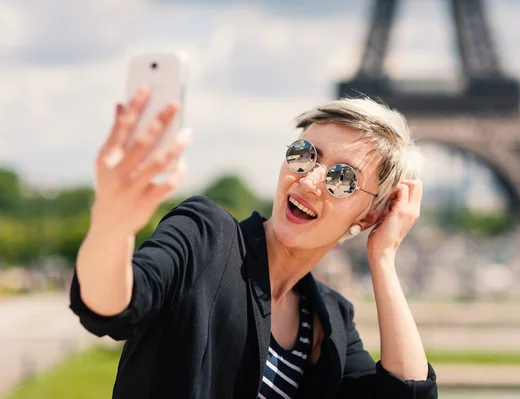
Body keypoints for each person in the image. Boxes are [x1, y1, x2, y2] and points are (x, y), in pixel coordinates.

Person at [69, 87, 438, 398]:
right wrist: (110, 224)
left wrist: (384, 257)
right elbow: (110, 304)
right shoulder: (206, 236)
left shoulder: (329, 320)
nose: (309, 181)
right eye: (304, 155)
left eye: (343, 178)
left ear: (369, 216)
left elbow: (407, 391)